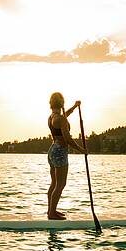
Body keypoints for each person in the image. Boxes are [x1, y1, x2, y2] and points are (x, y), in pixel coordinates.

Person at [47, 92, 85, 220]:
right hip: (60, 151)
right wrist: (81, 149)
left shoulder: (52, 117)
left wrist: (74, 107)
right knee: (60, 184)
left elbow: (64, 116)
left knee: (54, 183)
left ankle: (51, 211)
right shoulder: (60, 119)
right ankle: (52, 213)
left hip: (52, 150)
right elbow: (67, 138)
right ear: (62, 103)